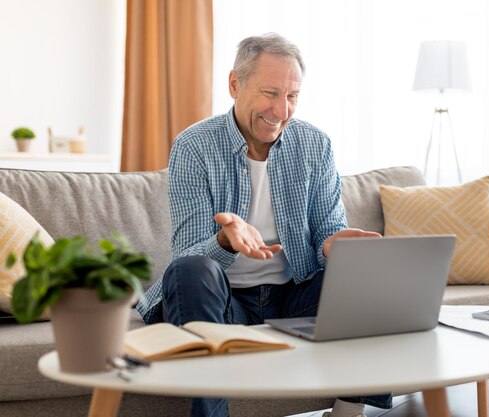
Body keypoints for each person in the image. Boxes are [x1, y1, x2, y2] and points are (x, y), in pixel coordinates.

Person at [137, 33, 392, 417]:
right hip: (225, 305)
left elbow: (327, 229)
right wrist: (225, 241)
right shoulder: (193, 146)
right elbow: (187, 257)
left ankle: (349, 410)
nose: (281, 110)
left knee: (362, 274)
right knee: (189, 270)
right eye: (270, 93)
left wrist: (331, 247)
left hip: (292, 299)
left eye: (291, 97)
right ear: (234, 85)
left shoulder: (315, 145)